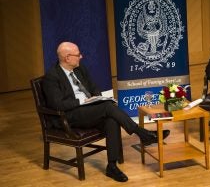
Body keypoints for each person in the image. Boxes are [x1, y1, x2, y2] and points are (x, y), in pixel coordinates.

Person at [42, 42, 170, 182]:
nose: (81, 56)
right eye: (78, 55)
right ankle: (143, 134)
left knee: (112, 119)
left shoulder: (79, 69)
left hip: (88, 109)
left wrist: (96, 97)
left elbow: (93, 87)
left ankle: (111, 166)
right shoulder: (52, 76)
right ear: (67, 58)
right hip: (70, 115)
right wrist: (82, 102)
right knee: (108, 107)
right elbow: (57, 104)